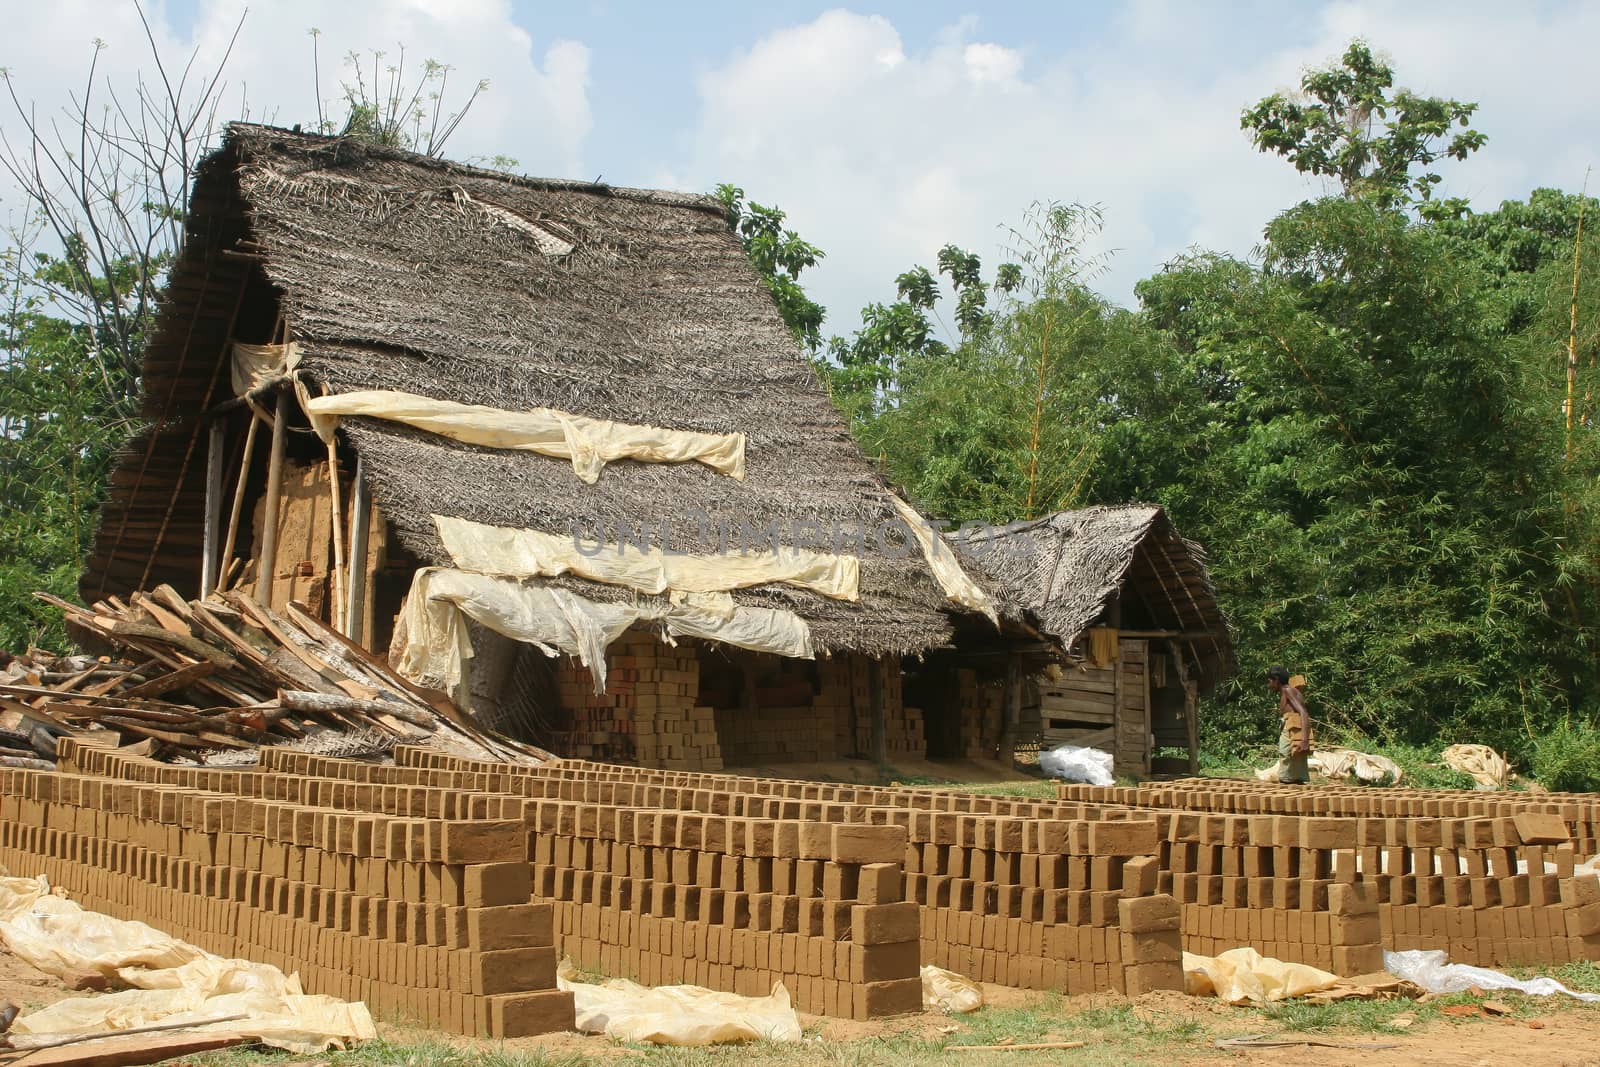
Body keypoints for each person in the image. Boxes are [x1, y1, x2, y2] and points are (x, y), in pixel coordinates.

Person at [1267, 665, 1312, 784]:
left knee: (1288, 765)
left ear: (1276, 680)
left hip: (1291, 730)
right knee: (1292, 767)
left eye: (1270, 681)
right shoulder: (1289, 691)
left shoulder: (1288, 690)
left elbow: (1303, 713)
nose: (1269, 685)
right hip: (1291, 729)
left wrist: (1305, 740)